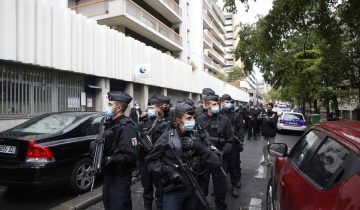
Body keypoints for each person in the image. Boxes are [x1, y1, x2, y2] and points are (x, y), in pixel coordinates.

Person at [146, 102, 221, 210]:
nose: (193, 121)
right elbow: (151, 161)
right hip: (174, 190)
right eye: (189, 118)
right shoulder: (167, 137)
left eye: (194, 118)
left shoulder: (200, 136)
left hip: (195, 188)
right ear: (178, 120)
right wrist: (167, 170)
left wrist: (199, 147)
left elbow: (216, 162)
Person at [102, 92, 138, 210]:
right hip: (109, 174)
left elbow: (130, 155)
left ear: (118, 108)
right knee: (108, 203)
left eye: (109, 104)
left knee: (119, 205)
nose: (106, 106)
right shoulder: (108, 123)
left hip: (120, 176)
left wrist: (111, 159)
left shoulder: (127, 126)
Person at [196, 94, 234, 210]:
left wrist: (221, 153)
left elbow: (230, 141)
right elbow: (195, 139)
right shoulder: (200, 120)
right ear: (206, 105)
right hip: (204, 160)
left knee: (220, 189)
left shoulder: (225, 120)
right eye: (214, 104)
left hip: (219, 160)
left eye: (217, 103)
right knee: (202, 189)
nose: (217, 106)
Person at [220, 94, 244, 197]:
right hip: (221, 144)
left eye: (229, 102)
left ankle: (234, 185)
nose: (228, 104)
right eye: (226, 101)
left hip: (233, 144)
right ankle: (220, 187)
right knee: (221, 167)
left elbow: (241, 129)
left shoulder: (236, 115)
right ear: (221, 102)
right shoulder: (218, 114)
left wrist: (240, 141)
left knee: (233, 166)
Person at [137, 97, 158, 210]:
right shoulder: (142, 123)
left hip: (157, 161)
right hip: (144, 160)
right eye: (148, 107)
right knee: (147, 188)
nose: (150, 109)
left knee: (160, 188)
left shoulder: (162, 122)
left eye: (152, 107)